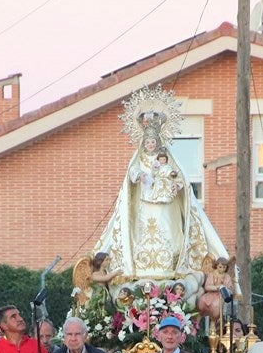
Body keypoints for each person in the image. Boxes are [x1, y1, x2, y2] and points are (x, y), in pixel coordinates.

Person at [93, 87, 230, 284]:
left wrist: (176, 185)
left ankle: (169, 264)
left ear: (158, 142)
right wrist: (138, 175)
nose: (150, 144)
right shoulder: (139, 158)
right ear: (143, 142)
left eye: (152, 142)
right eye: (147, 142)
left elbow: (179, 177)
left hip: (166, 204)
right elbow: (131, 174)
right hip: (144, 202)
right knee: (142, 232)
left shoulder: (166, 159)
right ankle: (141, 266)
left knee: (167, 230)